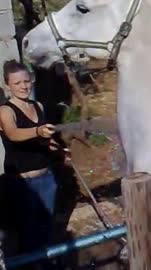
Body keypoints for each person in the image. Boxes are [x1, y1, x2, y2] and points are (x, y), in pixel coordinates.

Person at [0, 60, 64, 269]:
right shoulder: (5, 111)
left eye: (27, 81)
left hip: (46, 178)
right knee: (27, 234)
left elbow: (42, 140)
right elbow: (14, 134)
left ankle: (44, 264)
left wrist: (54, 146)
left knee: (46, 229)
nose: (24, 86)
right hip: (22, 184)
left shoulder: (38, 106)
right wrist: (37, 131)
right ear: (7, 85)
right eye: (17, 82)